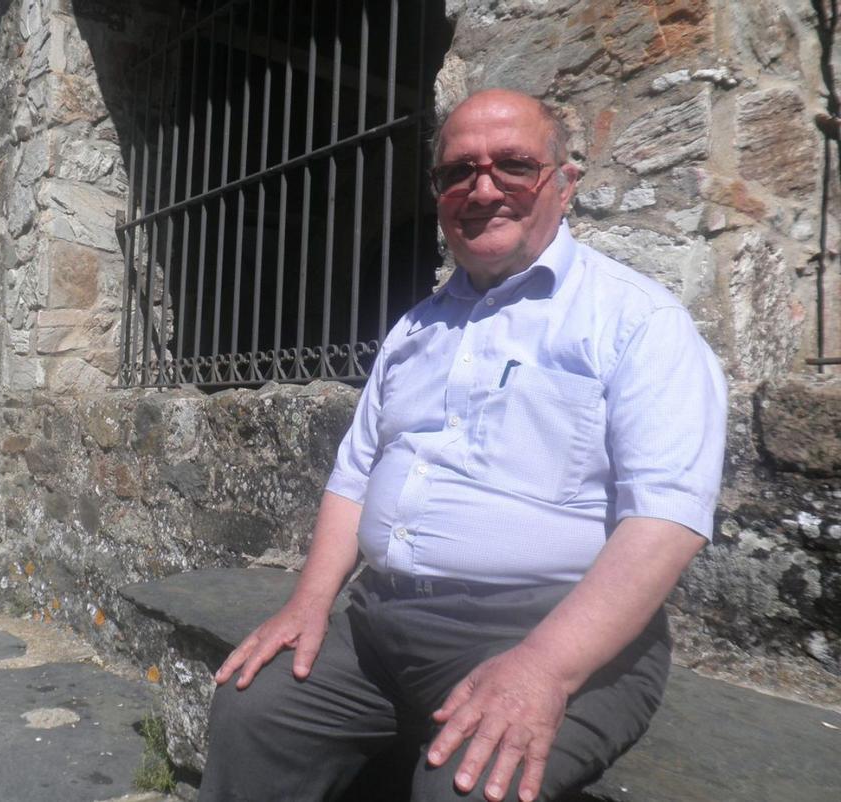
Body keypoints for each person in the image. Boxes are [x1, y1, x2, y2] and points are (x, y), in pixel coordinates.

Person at [198, 88, 727, 802]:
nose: (482, 188)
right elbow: (355, 474)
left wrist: (544, 665)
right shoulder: (415, 329)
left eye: (513, 164)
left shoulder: (638, 323)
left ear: (564, 184)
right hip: (384, 619)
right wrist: (309, 603)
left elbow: (664, 521)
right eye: (458, 171)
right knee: (255, 708)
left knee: (470, 787)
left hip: (553, 631)